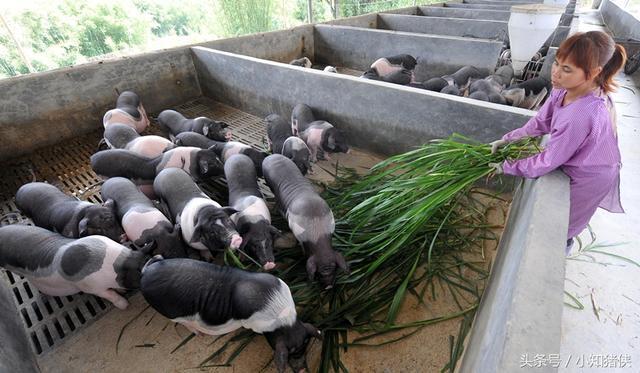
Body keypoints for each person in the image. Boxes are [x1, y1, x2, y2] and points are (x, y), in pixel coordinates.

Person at [488, 31, 627, 254]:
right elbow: (541, 122)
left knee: (562, 225)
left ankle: (559, 252)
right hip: (580, 157)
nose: (555, 73)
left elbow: (548, 161)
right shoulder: (564, 89)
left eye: (566, 69)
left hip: (591, 173)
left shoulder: (581, 115)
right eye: (557, 63)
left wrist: (508, 166)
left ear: (593, 73)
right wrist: (507, 139)